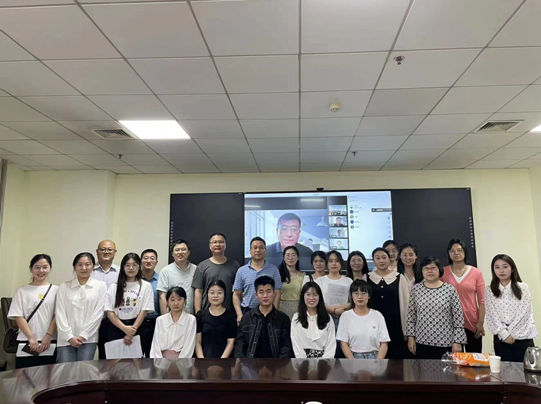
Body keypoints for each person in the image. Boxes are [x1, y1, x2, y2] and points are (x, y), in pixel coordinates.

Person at [407, 256, 467, 360]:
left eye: (433, 268)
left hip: (446, 342)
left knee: (446, 370)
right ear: (421, 271)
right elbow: (411, 317)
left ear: (439, 270)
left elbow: (458, 318)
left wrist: (457, 341)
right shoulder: (416, 289)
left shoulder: (449, 289)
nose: (430, 271)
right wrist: (410, 338)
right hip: (422, 342)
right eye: (426, 268)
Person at [8, 254, 58, 369]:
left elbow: (57, 315)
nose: (41, 271)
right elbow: (18, 316)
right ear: (31, 269)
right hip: (26, 341)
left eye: (45, 267)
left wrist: (48, 336)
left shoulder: (56, 290)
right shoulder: (21, 291)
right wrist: (31, 337)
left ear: (50, 268)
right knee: (24, 376)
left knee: (47, 376)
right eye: (37, 267)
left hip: (49, 341)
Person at [485, 254, 537, 362]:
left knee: (526, 369)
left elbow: (524, 313)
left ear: (512, 268)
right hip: (501, 338)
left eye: (505, 267)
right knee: (504, 370)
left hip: (522, 336)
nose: (501, 270)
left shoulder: (523, 287)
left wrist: (511, 334)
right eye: (497, 267)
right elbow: (491, 315)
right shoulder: (489, 290)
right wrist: (504, 334)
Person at [56, 252, 107, 363]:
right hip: (65, 339)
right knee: (65, 371)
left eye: (87, 264)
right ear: (74, 267)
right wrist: (69, 336)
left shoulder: (100, 286)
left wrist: (84, 335)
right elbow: (60, 313)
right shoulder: (64, 286)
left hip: (89, 339)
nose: (84, 268)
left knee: (84, 371)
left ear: (93, 266)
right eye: (79, 264)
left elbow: (98, 314)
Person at [104, 253, 154, 357]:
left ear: (139, 266)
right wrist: (124, 328)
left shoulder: (146, 286)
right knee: (115, 361)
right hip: (116, 327)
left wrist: (131, 332)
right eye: (127, 265)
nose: (131, 268)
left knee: (136, 361)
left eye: (134, 265)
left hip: (137, 327)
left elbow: (144, 311)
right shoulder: (114, 287)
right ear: (123, 267)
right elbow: (109, 312)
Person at [364, 247, 409, 359]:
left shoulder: (399, 277)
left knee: (396, 360)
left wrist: (406, 329)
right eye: (377, 258)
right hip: (372, 324)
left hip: (395, 324)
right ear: (373, 260)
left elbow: (406, 304)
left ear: (389, 259)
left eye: (384, 257)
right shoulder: (367, 278)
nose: (381, 261)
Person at [442, 239, 485, 353]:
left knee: (474, 358)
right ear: (448, 253)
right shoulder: (443, 272)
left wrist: (480, 322)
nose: (456, 253)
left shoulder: (476, 273)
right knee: (455, 359)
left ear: (465, 252)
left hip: (472, 322)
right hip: (449, 324)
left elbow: (482, 301)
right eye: (452, 251)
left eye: (459, 250)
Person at [234, 276, 293, 358]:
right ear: (256, 295)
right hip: (251, 363)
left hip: (276, 363)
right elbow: (240, 346)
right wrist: (243, 364)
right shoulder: (247, 318)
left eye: (268, 291)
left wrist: (280, 364)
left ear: (274, 293)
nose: (265, 296)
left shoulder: (283, 319)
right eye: (261, 292)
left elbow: (286, 347)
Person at [233, 237, 282, 324]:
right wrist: (239, 314)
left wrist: (274, 313)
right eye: (255, 247)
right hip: (247, 313)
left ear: (265, 250)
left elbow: (277, 293)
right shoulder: (241, 271)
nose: (258, 250)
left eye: (261, 247)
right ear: (250, 250)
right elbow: (236, 294)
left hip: (268, 313)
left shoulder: (274, 269)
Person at [337, 280, 390, 359]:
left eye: (363, 293)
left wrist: (378, 362)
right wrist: (353, 362)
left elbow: (384, 343)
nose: (359, 297)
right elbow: (343, 343)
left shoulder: (377, 315)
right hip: (353, 356)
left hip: (375, 356)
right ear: (351, 296)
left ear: (369, 296)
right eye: (356, 293)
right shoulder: (345, 316)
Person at [193, 233, 240, 313]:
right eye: (214, 242)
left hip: (229, 311)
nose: (218, 244)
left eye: (221, 242)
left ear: (225, 245)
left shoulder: (234, 265)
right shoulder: (202, 266)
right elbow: (198, 291)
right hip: (207, 311)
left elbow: (238, 291)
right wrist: (198, 312)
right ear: (210, 246)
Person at [91, 239, 120, 359]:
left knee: (113, 356)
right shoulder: (89, 270)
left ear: (115, 252)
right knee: (91, 354)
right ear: (97, 251)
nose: (106, 252)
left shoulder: (121, 272)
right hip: (93, 320)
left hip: (114, 320)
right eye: (102, 249)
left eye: (109, 249)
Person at [291, 282, 336, 358]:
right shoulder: (296, 317)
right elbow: (296, 343)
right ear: (303, 296)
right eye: (308, 294)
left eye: (315, 295)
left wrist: (324, 362)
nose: (311, 298)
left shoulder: (327, 318)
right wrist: (303, 362)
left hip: (324, 361)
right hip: (302, 360)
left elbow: (331, 344)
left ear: (319, 297)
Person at [150, 286, 196, 358]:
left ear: (185, 301)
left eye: (179, 299)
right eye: (172, 300)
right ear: (167, 302)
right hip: (162, 360)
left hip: (183, 360)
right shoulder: (160, 320)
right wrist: (160, 362)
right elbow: (155, 346)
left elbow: (189, 345)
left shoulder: (191, 320)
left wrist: (180, 362)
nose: (176, 303)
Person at [195, 280, 236, 358]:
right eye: (212, 293)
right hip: (203, 358)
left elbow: (230, 342)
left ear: (225, 294)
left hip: (225, 359)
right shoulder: (201, 315)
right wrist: (201, 359)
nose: (215, 295)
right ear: (207, 294)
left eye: (219, 293)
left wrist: (222, 361)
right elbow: (197, 342)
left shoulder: (231, 316)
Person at [157, 239, 197, 315]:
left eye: (183, 249)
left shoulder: (196, 270)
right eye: (177, 250)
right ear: (172, 253)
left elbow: (199, 293)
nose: (180, 252)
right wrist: (164, 317)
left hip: (191, 315)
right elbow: (162, 296)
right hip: (171, 315)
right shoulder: (165, 271)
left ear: (188, 252)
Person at [316, 250, 353, 333]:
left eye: (337, 261)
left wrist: (343, 308)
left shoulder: (348, 281)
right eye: (330, 261)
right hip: (325, 317)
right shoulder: (320, 281)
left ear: (341, 264)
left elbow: (353, 301)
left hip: (344, 317)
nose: (334, 263)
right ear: (327, 264)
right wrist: (333, 310)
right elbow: (317, 301)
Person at [140, 249, 160, 358]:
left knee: (153, 356)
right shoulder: (134, 279)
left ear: (156, 262)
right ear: (140, 261)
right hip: (138, 322)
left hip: (155, 322)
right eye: (146, 258)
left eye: (152, 258)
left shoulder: (161, 279)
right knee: (136, 356)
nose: (149, 261)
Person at [278, 246, 305, 318]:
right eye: (288, 255)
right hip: (281, 308)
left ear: (297, 258)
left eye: (293, 255)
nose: (290, 258)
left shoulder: (303, 276)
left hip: (298, 309)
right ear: (284, 258)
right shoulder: (278, 275)